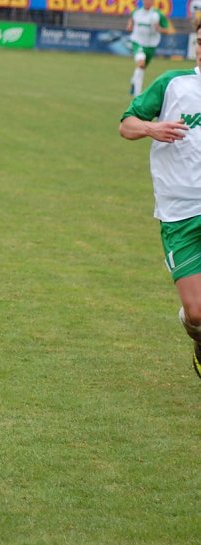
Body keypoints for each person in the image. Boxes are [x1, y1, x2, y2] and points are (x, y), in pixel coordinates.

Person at [119, 22, 201, 377]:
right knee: (197, 313)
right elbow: (126, 125)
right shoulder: (172, 83)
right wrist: (152, 128)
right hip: (179, 212)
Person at [126, 0, 170, 96]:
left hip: (151, 45)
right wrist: (129, 26)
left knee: (142, 67)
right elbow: (131, 21)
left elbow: (167, 30)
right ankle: (137, 94)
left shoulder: (158, 14)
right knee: (141, 64)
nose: (147, 2)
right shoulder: (136, 12)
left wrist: (158, 28)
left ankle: (133, 82)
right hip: (137, 42)